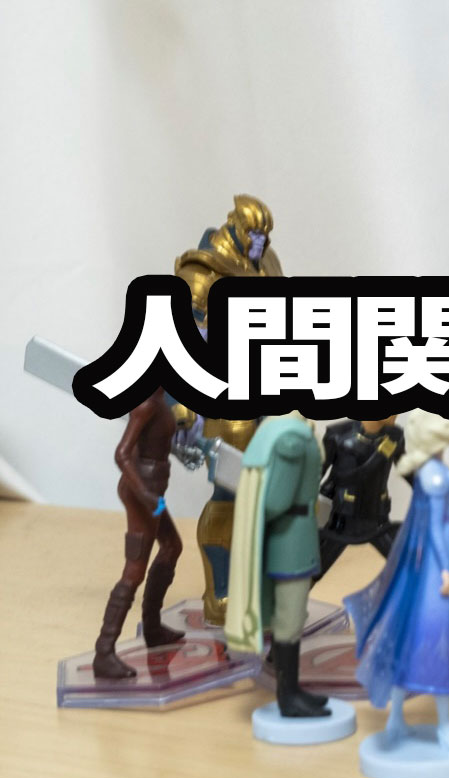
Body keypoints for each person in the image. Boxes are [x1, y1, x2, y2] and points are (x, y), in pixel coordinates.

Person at [173, 194, 284, 626]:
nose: (259, 242)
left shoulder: (266, 262)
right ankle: (220, 592)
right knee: (231, 492)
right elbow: (179, 340)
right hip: (223, 399)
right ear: (235, 225)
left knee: (267, 493)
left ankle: (255, 586)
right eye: (253, 233)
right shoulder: (202, 272)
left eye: (264, 235)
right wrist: (183, 404)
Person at [346, 411, 449, 749]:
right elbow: (434, 529)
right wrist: (446, 570)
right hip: (439, 563)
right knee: (436, 634)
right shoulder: (433, 478)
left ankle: (401, 718)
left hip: (442, 558)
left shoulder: (433, 472)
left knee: (419, 635)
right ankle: (438, 724)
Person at [225, 413, 329, 717]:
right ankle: (288, 695)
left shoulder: (281, 430)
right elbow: (275, 501)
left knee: (291, 619)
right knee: (290, 621)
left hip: (294, 536)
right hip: (291, 542)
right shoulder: (291, 438)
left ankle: (291, 690)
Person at [92, 388, 186, 678]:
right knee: (134, 570)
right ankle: (104, 651)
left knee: (171, 545)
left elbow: (153, 442)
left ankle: (153, 629)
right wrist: (145, 495)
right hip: (144, 493)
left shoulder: (158, 400)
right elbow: (122, 454)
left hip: (153, 490)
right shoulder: (145, 403)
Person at [315, 416, 404, 581]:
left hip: (378, 521)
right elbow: (315, 475)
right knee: (315, 568)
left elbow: (410, 472)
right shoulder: (337, 434)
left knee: (404, 566)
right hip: (341, 521)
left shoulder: (394, 438)